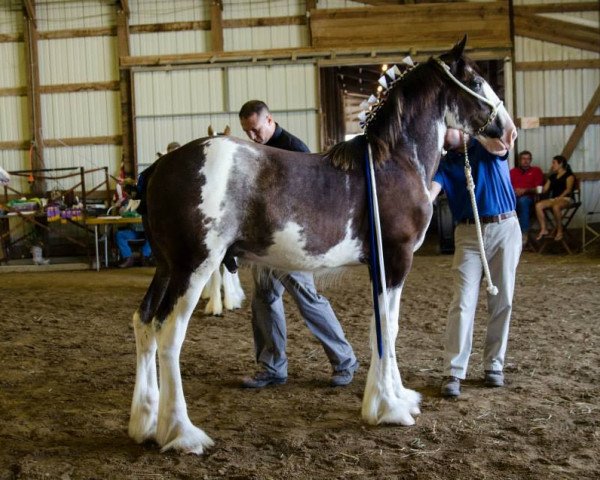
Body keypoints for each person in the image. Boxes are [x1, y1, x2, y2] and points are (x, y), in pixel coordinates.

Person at [238, 100, 358, 388]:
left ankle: (344, 361)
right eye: (247, 132)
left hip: (292, 243)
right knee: (264, 299)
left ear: (269, 121)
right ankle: (272, 367)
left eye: (255, 130)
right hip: (267, 242)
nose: (252, 137)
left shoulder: (295, 149)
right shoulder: (257, 151)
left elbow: (311, 198)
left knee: (308, 300)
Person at [430, 128, 521, 398]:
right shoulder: (445, 165)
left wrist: (475, 135)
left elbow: (504, 143)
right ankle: (454, 370)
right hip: (469, 234)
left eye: (452, 126)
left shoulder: (486, 148)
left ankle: (494, 365)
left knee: (502, 300)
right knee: (462, 301)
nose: (448, 132)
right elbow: (430, 193)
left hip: (504, 226)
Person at [534, 155, 575, 242]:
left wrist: (559, 197)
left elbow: (568, 189)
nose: (552, 165)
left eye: (554, 163)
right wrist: (539, 189)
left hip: (566, 198)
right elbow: (545, 189)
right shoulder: (552, 176)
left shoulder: (569, 175)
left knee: (556, 206)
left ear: (561, 164)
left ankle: (560, 231)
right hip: (554, 199)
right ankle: (544, 229)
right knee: (538, 205)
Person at [115, 179, 151, 268]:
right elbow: (123, 212)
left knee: (154, 236)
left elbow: (127, 212)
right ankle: (128, 258)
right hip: (134, 231)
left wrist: (126, 211)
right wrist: (121, 204)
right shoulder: (129, 200)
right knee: (119, 235)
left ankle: (145, 256)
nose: (127, 192)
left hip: (147, 231)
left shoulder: (146, 198)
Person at [509, 150, 544, 242]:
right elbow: (507, 187)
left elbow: (539, 188)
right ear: (519, 160)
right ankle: (507, 234)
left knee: (523, 201)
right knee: (505, 203)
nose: (526, 161)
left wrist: (525, 190)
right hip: (514, 197)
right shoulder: (512, 172)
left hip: (530, 198)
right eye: (524, 159)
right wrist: (514, 191)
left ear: (531, 160)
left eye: (528, 159)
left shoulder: (536, 171)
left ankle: (524, 234)